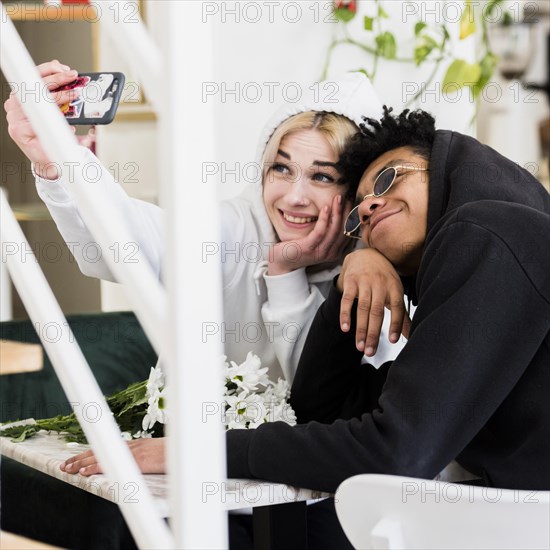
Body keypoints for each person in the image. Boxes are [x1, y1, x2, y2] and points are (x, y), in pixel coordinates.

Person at [61, 107, 549, 548]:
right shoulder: (464, 265)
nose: (372, 207)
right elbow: (322, 407)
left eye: (387, 181)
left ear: (444, 169)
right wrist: (354, 266)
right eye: (358, 211)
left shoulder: (487, 232)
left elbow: (393, 451)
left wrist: (196, 451)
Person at [4, 61, 409, 383]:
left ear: (357, 188)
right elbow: (129, 243)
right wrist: (58, 160)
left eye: (322, 176)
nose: (294, 196)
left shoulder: (378, 266)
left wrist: (331, 265)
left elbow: (336, 404)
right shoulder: (234, 229)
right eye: (281, 169)